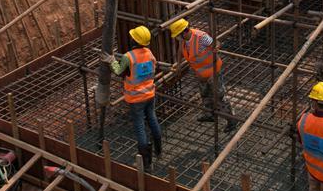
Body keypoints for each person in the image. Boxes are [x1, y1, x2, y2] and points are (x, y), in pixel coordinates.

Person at [102, 25, 162, 170]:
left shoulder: (128, 56)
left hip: (136, 99)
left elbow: (118, 71)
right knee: (152, 120)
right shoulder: (149, 53)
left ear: (134, 40)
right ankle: (159, 150)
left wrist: (111, 61)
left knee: (140, 128)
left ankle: (146, 163)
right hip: (150, 95)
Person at [169, 19, 237, 132]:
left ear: (184, 32)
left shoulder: (201, 37)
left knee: (219, 97)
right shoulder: (184, 40)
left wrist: (216, 47)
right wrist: (179, 65)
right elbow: (180, 51)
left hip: (213, 72)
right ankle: (210, 115)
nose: (177, 38)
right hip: (200, 73)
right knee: (205, 94)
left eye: (177, 35)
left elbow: (216, 43)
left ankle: (232, 120)